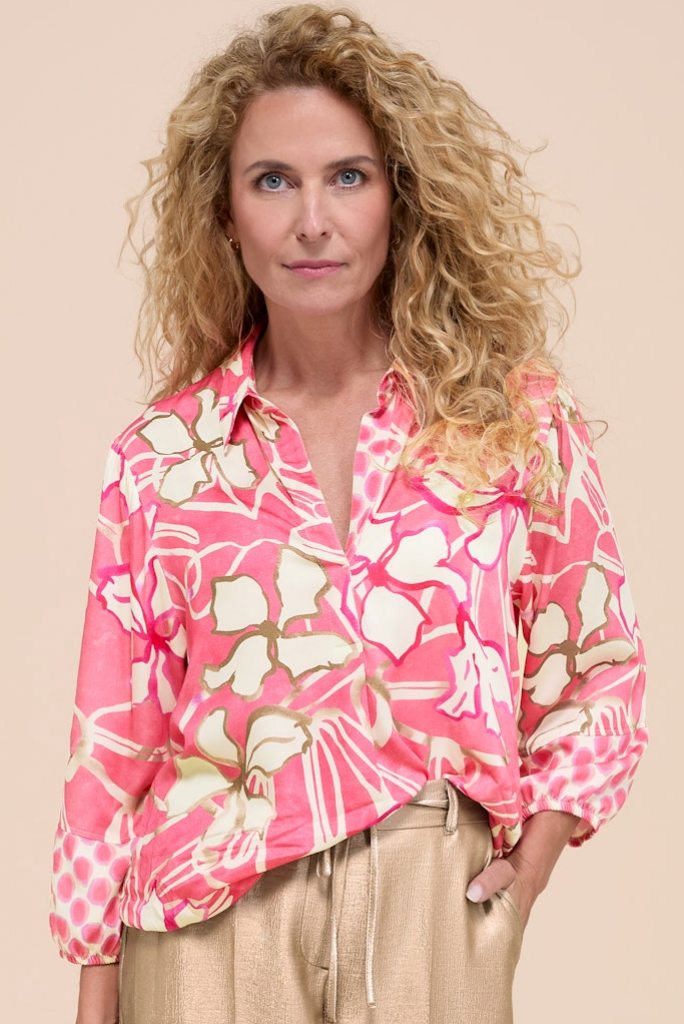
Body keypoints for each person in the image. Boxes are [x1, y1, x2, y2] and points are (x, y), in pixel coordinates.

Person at [48, 4, 649, 1023]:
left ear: (400, 198)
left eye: (349, 177)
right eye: (272, 180)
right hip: (204, 919)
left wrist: (534, 859)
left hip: (430, 894)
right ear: (225, 212)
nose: (312, 220)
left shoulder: (510, 420)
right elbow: (114, 746)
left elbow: (604, 663)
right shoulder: (162, 456)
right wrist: (95, 979)